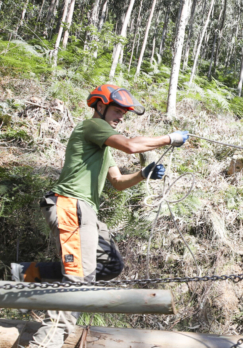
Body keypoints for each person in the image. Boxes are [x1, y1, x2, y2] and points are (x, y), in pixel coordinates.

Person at [10, 84, 190, 348]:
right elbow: (129, 146)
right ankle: (45, 343)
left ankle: (28, 272)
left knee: (110, 265)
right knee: (78, 283)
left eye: (123, 114)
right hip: (71, 206)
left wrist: (142, 175)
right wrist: (168, 138)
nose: (120, 118)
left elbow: (117, 181)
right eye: (117, 111)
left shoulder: (102, 147)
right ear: (100, 106)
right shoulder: (92, 127)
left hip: (86, 212)